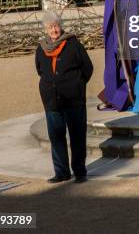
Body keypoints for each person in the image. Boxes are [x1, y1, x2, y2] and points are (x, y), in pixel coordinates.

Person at [35, 11, 93, 183]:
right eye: (50, 27)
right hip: (52, 100)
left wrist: (78, 85)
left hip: (73, 98)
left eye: (56, 25)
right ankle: (61, 172)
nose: (54, 29)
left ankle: (80, 172)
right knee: (56, 137)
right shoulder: (41, 48)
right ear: (46, 29)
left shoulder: (73, 44)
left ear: (61, 26)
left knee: (77, 136)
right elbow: (39, 70)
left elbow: (87, 68)